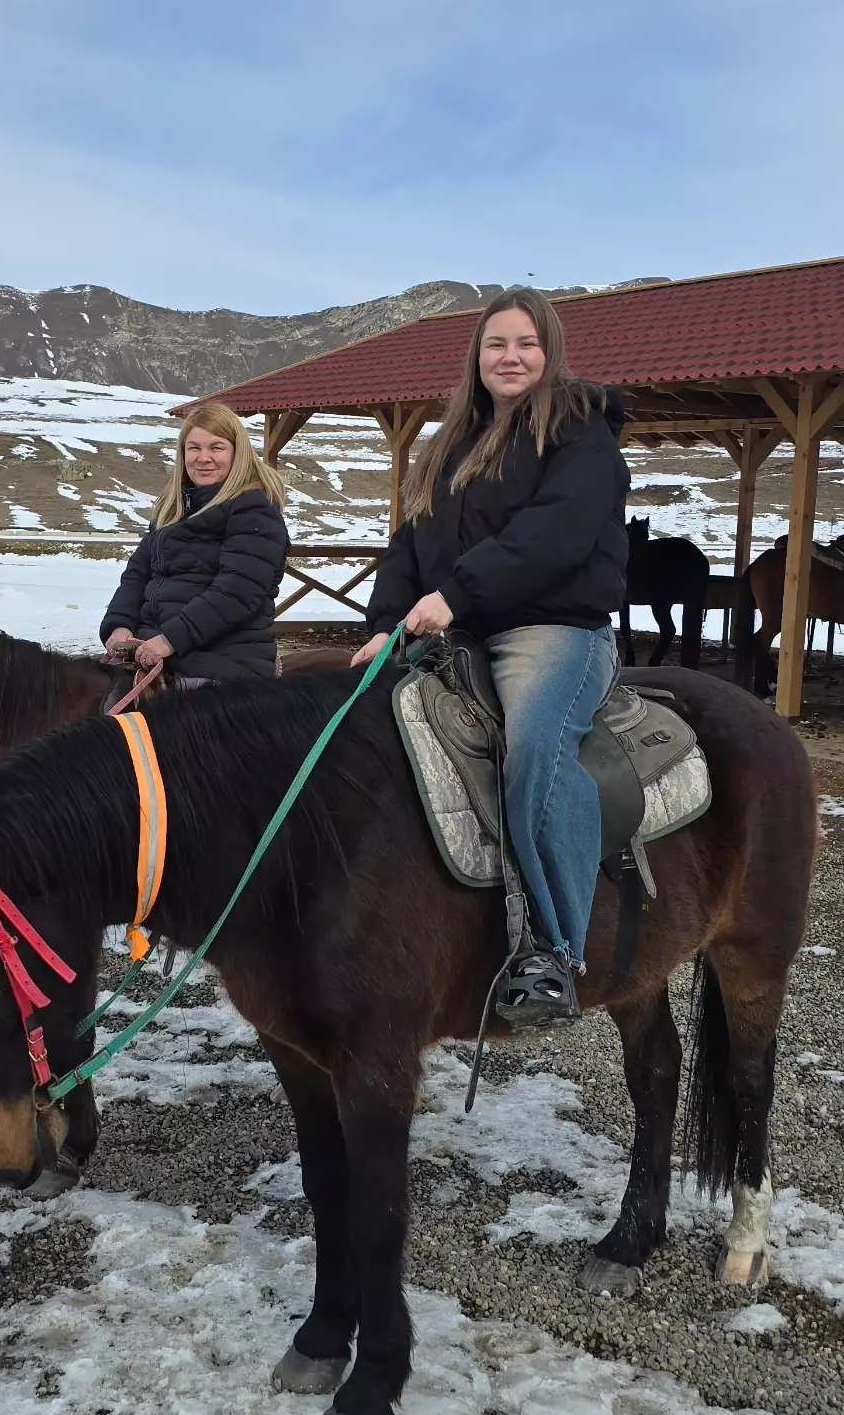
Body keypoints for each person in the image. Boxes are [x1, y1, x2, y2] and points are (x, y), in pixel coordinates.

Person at [352, 287, 630, 1027]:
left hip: (554, 631)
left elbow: (557, 532)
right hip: (461, 630)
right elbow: (411, 543)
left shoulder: (580, 432)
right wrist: (384, 623)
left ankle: (557, 949)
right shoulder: (452, 443)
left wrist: (459, 593)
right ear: (476, 357)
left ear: (551, 353)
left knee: (534, 749)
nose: (511, 357)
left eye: (527, 344)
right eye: (497, 344)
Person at [100, 402, 289, 686]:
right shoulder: (171, 508)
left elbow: (237, 592)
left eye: (216, 447)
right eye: (194, 448)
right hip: (156, 652)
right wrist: (119, 625)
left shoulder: (253, 510)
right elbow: (137, 574)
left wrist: (171, 640)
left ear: (237, 453)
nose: (203, 458)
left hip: (221, 661)